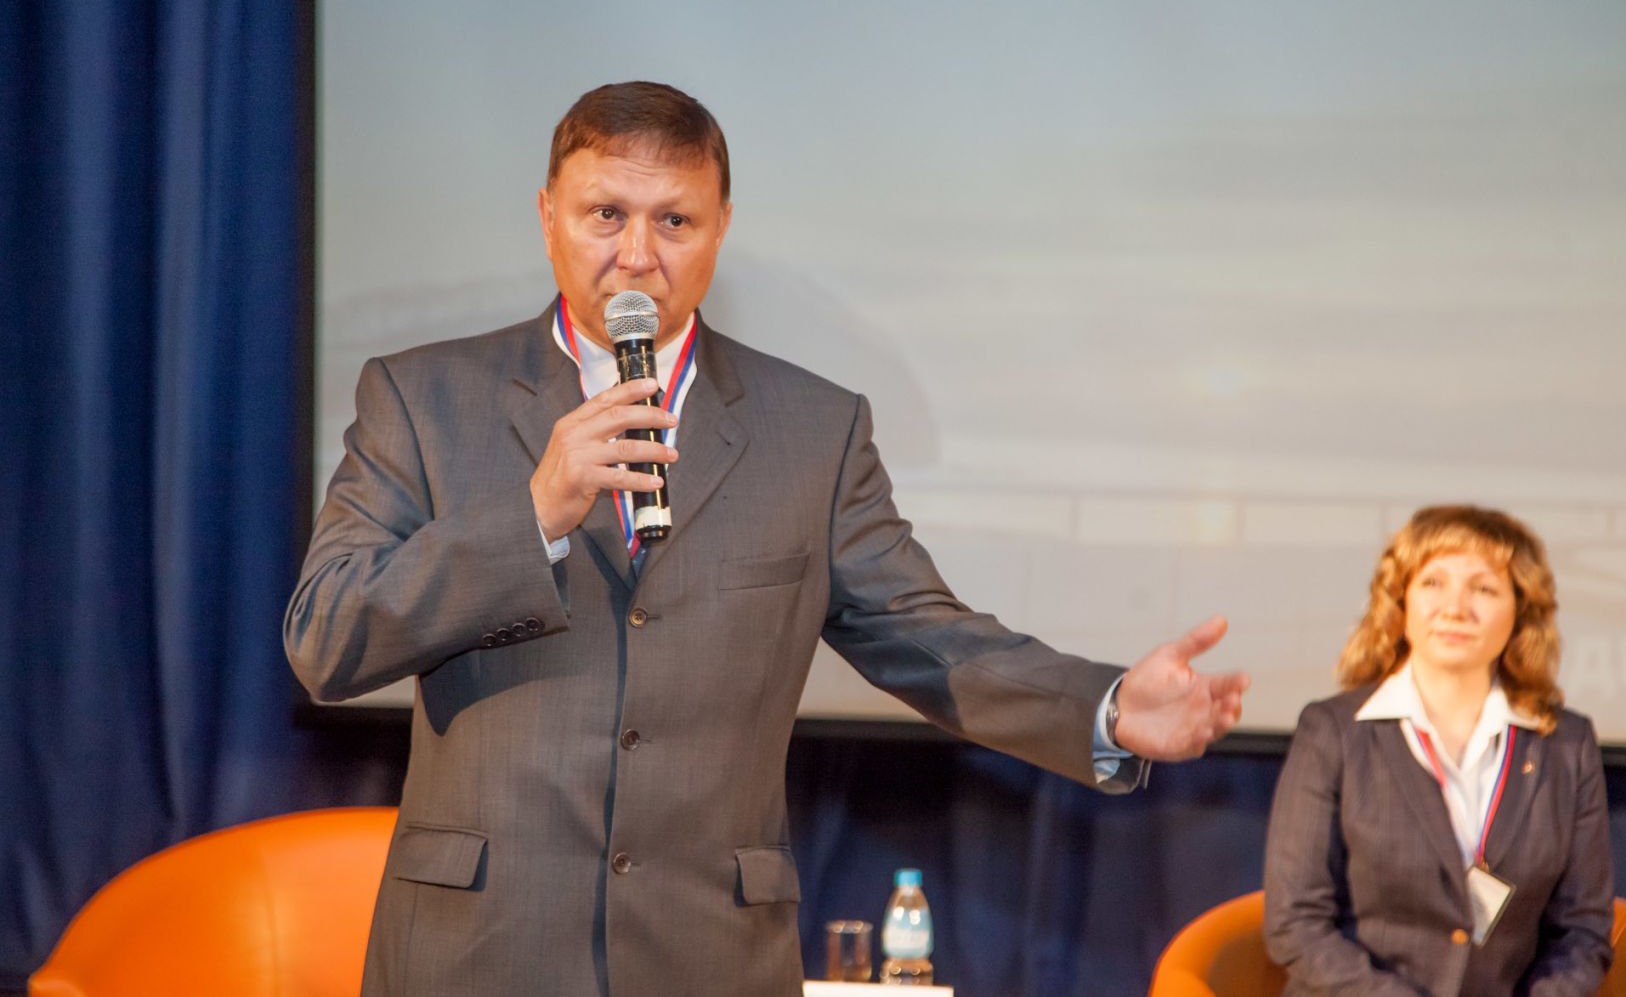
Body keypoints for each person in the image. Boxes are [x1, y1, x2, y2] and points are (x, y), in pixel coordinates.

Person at [285, 81, 1249, 997]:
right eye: (605, 213)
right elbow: (326, 638)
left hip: (708, 948)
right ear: (547, 216)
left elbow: (928, 636)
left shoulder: (814, 429)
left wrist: (1106, 706)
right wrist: (532, 513)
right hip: (480, 949)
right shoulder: (421, 398)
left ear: (721, 228)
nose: (636, 254)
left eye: (674, 221)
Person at [1262, 505, 1613, 996]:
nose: (1455, 608)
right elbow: (1295, 922)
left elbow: (1582, 932)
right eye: (1432, 583)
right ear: (1400, 601)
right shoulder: (1332, 732)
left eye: (1483, 589)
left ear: (1521, 610)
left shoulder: (1567, 745)